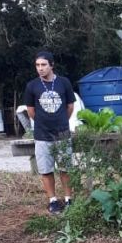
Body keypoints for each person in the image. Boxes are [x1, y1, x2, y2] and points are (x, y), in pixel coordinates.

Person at [23, 51, 75, 215]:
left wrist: (61, 121)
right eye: (37, 65)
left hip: (62, 133)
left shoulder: (64, 82)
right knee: (46, 170)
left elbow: (70, 107)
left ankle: (68, 199)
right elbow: (31, 111)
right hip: (42, 135)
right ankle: (53, 200)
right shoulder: (32, 86)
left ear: (51, 65)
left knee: (65, 168)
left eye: (43, 65)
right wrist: (44, 123)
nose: (40, 68)